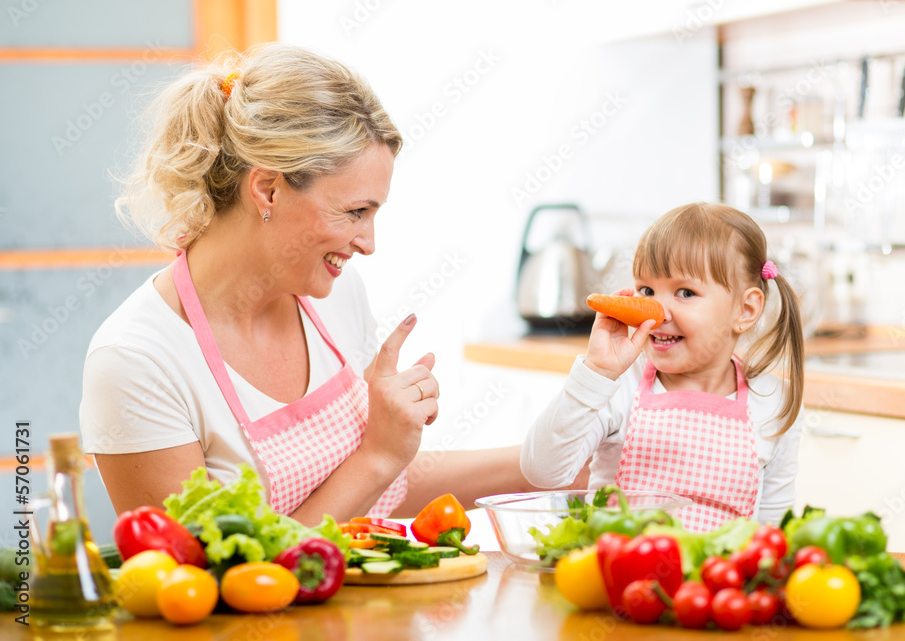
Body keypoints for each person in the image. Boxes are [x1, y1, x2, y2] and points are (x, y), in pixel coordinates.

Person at [80, 43, 552, 526]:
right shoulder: (136, 362)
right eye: (354, 212)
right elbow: (204, 586)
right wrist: (378, 456)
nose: (368, 243)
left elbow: (379, 494)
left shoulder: (336, 297)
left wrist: (557, 457)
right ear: (268, 189)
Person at [521, 202, 805, 531]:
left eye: (685, 292)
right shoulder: (618, 385)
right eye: (647, 290)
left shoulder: (775, 401)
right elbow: (541, 472)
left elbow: (773, 528)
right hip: (620, 577)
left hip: (714, 582)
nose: (657, 311)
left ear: (745, 309)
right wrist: (596, 373)